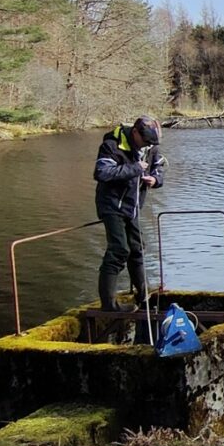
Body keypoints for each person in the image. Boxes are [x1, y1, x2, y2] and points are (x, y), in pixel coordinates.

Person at [94, 115, 166, 311]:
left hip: (132, 206)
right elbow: (101, 173)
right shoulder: (112, 145)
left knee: (137, 248)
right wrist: (134, 168)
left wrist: (155, 179)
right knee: (119, 250)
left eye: (151, 143)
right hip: (111, 205)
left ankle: (143, 297)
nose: (148, 147)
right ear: (135, 133)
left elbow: (159, 167)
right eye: (145, 142)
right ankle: (109, 306)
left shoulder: (150, 147)